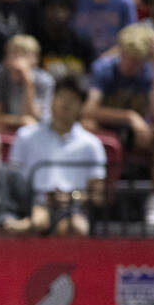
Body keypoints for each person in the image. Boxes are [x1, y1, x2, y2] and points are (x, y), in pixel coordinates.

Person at [82, 24, 154, 227]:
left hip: (140, 136)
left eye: (138, 61)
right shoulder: (103, 68)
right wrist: (129, 116)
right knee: (85, 125)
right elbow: (88, 111)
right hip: (108, 132)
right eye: (128, 57)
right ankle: (91, 199)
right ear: (120, 51)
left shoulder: (150, 72)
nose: (132, 65)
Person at [8, 74, 107, 237]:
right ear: (52, 100)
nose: (66, 103)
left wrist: (71, 197)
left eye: (73, 99)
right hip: (29, 206)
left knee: (76, 228)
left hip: (72, 209)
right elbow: (12, 180)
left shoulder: (92, 144)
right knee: (34, 221)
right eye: (61, 97)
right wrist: (38, 199)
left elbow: (97, 194)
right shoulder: (25, 136)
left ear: (81, 106)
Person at [0, 34, 55, 133]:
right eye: (14, 53)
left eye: (24, 54)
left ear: (36, 59)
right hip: (4, 130)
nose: (17, 59)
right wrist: (20, 121)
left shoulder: (45, 81)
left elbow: (37, 121)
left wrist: (28, 81)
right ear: (6, 58)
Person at [34, 0, 96, 79]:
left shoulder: (82, 41)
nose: (57, 13)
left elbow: (91, 73)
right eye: (52, 7)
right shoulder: (36, 41)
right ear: (43, 11)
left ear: (71, 12)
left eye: (62, 7)